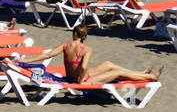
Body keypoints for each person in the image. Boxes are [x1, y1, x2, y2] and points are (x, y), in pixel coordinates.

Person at [32, 25, 162, 84]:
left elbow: (48, 55)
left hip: (73, 77)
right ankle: (150, 77)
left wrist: (29, 59)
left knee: (108, 64)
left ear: (74, 34)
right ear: (84, 36)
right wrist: (82, 80)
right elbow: (83, 67)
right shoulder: (86, 49)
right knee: (117, 73)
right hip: (81, 80)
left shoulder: (66, 44)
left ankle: (140, 73)